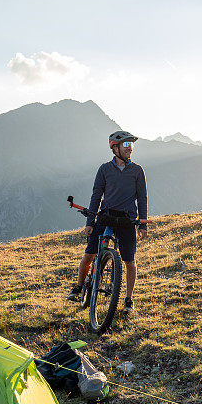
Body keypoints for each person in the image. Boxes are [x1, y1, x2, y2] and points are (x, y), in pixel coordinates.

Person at [67, 130, 148, 313]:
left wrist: (142, 224)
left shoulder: (137, 171)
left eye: (131, 145)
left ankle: (128, 299)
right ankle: (79, 287)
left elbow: (142, 198)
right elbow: (96, 195)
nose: (130, 149)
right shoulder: (104, 169)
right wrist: (89, 222)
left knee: (129, 261)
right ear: (115, 148)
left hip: (127, 220)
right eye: (126, 145)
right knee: (89, 255)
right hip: (106, 217)